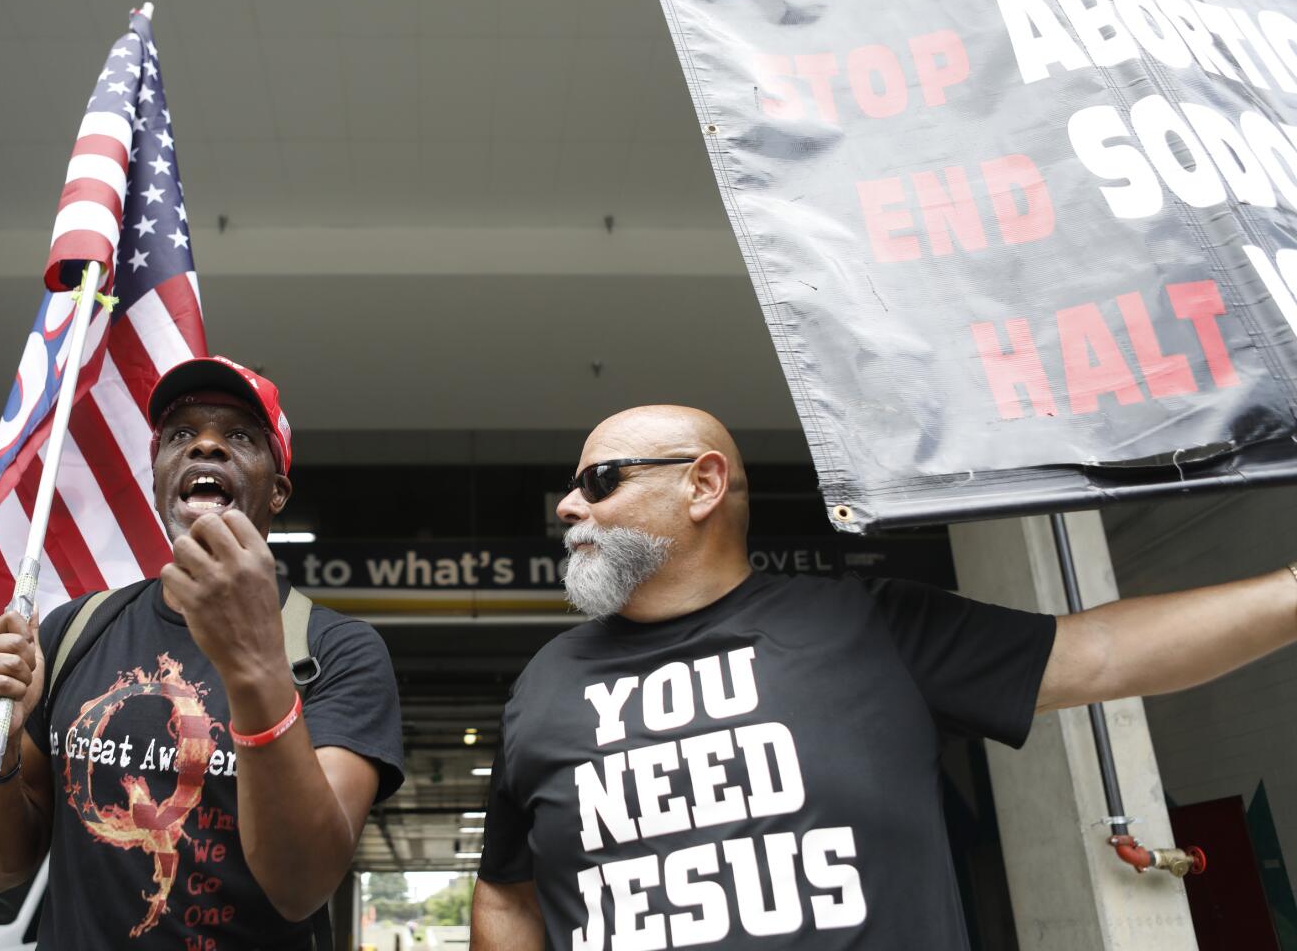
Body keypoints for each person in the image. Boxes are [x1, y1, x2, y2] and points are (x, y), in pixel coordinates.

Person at [471, 404, 1297, 951]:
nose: (569, 508)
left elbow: (1103, 652)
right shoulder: (544, 684)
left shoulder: (867, 627)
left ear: (704, 484)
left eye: (600, 480)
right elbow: (508, 896)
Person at [0, 356, 404, 950]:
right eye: (182, 435)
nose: (206, 448)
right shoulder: (76, 630)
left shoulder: (336, 651)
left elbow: (301, 885)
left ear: (277, 492)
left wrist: (253, 663)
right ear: (157, 472)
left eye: (240, 436)